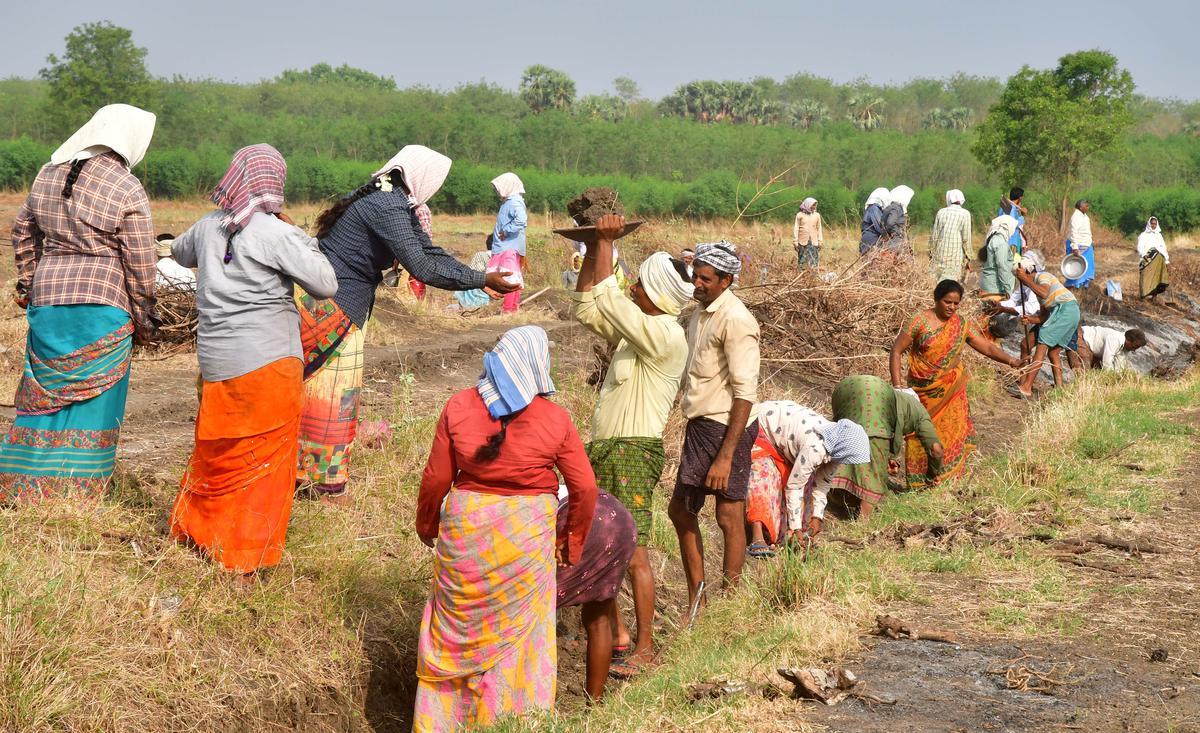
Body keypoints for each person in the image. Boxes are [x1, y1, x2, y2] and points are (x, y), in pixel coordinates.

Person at [297, 146, 518, 502]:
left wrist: (480, 276)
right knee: (331, 393)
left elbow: (427, 252)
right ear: (423, 177)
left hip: (338, 298)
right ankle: (320, 485)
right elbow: (423, 267)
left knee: (322, 389)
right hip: (334, 301)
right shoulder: (387, 206)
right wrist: (481, 279)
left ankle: (307, 476)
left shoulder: (393, 201)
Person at [412, 326, 597, 731]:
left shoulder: (459, 406)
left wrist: (427, 522)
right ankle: (510, 722)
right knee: (520, 641)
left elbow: (436, 479)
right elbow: (584, 486)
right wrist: (572, 541)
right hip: (525, 536)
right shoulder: (555, 418)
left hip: (466, 532)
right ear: (537, 366)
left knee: (455, 629)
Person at [169, 144, 338, 576]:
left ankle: (201, 534)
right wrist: (300, 235)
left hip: (217, 361)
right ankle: (244, 555)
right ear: (274, 184)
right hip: (268, 362)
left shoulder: (208, 226)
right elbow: (325, 283)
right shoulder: (276, 233)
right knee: (263, 462)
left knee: (218, 448)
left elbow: (179, 254)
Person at [1, 104, 158, 499]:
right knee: (94, 403)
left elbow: (22, 231)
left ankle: (22, 484)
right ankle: (78, 489)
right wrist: (145, 318)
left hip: (50, 300)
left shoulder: (46, 173)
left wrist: (30, 281)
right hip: (104, 304)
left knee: (44, 398)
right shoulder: (126, 186)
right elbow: (140, 262)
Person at [572, 214, 691, 673]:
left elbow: (610, 299)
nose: (634, 290)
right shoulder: (639, 331)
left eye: (640, 285)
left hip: (634, 452)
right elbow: (589, 306)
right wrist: (590, 247)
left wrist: (605, 243)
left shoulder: (665, 335)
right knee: (604, 547)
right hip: (606, 449)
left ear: (659, 295)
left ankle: (645, 647)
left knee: (634, 552)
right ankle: (621, 635)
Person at [669, 240, 760, 615]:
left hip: (726, 428)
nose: (697, 283)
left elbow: (744, 394)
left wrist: (725, 456)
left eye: (706, 278)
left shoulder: (737, 320)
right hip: (702, 425)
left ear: (727, 281)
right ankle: (700, 597)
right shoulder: (700, 314)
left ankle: (730, 599)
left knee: (727, 515)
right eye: (696, 276)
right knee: (682, 510)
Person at [890, 280, 1021, 488]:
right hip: (922, 392)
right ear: (936, 299)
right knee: (919, 434)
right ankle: (918, 483)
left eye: (956, 303)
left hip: (951, 390)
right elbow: (896, 351)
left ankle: (947, 482)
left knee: (952, 431)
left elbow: (986, 347)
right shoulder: (919, 321)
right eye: (947, 302)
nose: (951, 307)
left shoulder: (961, 324)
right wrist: (898, 387)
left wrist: (1012, 361)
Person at [745, 401, 871, 556]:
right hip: (761, 428)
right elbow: (794, 486)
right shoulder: (815, 447)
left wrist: (817, 517)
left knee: (808, 484)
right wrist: (796, 527)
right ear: (844, 449)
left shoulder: (836, 448)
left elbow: (822, 484)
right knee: (763, 478)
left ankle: (788, 537)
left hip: (783, 444)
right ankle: (758, 538)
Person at [818, 375, 944, 526]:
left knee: (842, 450)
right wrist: (932, 476)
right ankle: (863, 524)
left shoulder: (893, 396)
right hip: (874, 409)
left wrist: (885, 457)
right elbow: (936, 449)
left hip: (845, 389)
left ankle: (822, 497)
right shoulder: (920, 412)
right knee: (874, 477)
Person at [555, 489, 636, 701]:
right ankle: (594, 703)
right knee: (598, 619)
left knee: (539, 610)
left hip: (587, 524)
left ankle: (534, 703)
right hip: (620, 519)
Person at [1012, 251, 1081, 398]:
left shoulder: (1043, 277)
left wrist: (1026, 280)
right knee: (1028, 344)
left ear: (1030, 270)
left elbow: (1044, 293)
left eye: (1023, 277)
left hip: (1066, 309)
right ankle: (1058, 389)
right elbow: (1043, 317)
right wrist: (1030, 319)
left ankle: (1026, 388)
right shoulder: (1035, 286)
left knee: (1042, 346)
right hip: (1060, 312)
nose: (1023, 282)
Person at [490, 172, 528, 313]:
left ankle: (508, 309)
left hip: (508, 247)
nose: (497, 191)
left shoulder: (514, 202)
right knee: (511, 277)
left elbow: (521, 220)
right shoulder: (509, 202)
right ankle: (512, 309)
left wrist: (506, 231)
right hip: (505, 246)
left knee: (509, 278)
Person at [930, 189, 973, 283]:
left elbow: (934, 235)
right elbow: (966, 238)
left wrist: (931, 252)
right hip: (954, 257)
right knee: (950, 284)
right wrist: (969, 257)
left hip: (939, 254)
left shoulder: (941, 212)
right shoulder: (965, 214)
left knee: (936, 283)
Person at [977, 215, 1021, 301]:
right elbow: (1002, 267)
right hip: (995, 288)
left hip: (988, 284)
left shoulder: (993, 238)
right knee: (997, 313)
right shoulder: (1000, 242)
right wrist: (1008, 290)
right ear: (1008, 227)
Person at [1077, 326, 1146, 371]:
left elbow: (1119, 368)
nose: (1134, 350)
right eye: (1135, 346)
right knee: (1084, 369)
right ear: (1128, 340)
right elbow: (1107, 362)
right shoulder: (1115, 339)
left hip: (1092, 349)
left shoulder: (1125, 348)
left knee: (1097, 369)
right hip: (1082, 336)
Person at [1137, 216, 1169, 300]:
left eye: (1155, 224)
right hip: (1147, 259)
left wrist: (1166, 259)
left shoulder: (1159, 235)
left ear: (1157, 224)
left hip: (1159, 260)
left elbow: (1163, 247)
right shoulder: (1143, 235)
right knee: (1145, 276)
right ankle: (1143, 296)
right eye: (1152, 223)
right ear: (1149, 224)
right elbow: (1140, 247)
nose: (1153, 225)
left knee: (1158, 278)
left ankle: (1154, 297)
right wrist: (1144, 255)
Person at [1065, 200, 1095, 289]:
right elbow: (1073, 232)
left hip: (1087, 244)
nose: (1088, 207)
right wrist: (1075, 247)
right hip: (1078, 245)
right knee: (1077, 268)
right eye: (1086, 206)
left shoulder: (1084, 216)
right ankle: (1074, 287)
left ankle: (1084, 287)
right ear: (1081, 207)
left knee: (1087, 267)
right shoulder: (1076, 217)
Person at [880, 185, 915, 255]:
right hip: (896, 243)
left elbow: (882, 224)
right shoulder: (896, 207)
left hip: (889, 243)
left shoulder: (888, 208)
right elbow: (890, 223)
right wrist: (889, 235)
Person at [793, 197, 824, 268]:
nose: (814, 207)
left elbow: (819, 229)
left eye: (815, 205)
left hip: (814, 242)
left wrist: (820, 241)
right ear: (808, 204)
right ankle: (801, 276)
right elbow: (796, 228)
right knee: (802, 262)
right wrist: (795, 241)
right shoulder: (800, 215)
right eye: (813, 205)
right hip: (802, 242)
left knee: (813, 262)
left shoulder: (817, 215)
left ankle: (812, 277)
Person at [859, 187, 890, 255]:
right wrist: (887, 236)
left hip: (868, 239)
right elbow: (879, 225)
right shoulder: (874, 208)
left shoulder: (872, 208)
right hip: (871, 240)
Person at [998, 187, 1027, 254]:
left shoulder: (1003, 207)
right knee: (1010, 263)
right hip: (1010, 241)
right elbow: (1012, 224)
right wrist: (1022, 216)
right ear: (1020, 198)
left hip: (1001, 239)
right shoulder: (1012, 209)